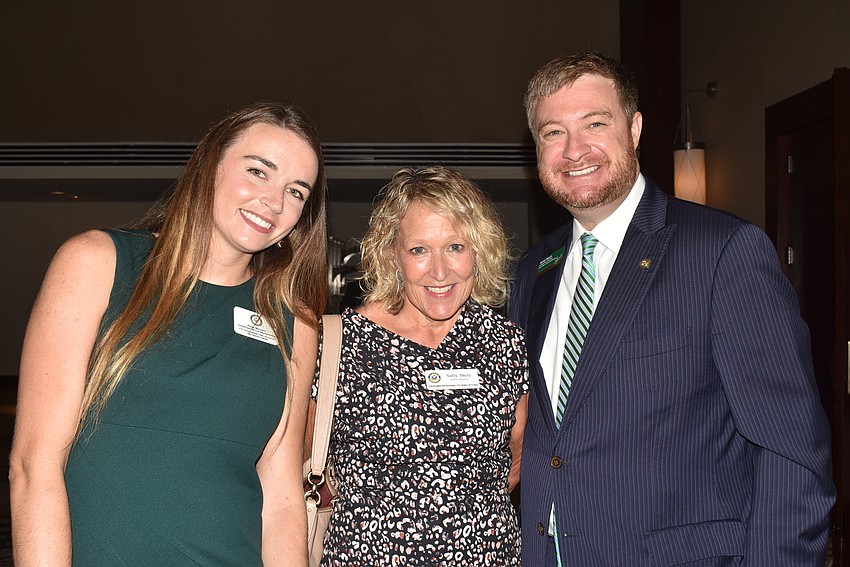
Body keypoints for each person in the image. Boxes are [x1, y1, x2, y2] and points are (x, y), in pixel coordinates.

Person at [509, 52, 835, 566]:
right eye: (553, 132)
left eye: (595, 123)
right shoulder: (533, 270)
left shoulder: (724, 252)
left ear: (634, 128)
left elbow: (792, 456)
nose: (575, 150)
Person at [9, 101, 328, 566]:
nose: (275, 202)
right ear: (209, 165)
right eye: (259, 171)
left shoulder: (294, 319)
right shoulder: (97, 263)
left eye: (296, 191)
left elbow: (280, 496)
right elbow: (34, 467)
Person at [315, 166, 529, 565]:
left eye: (455, 247)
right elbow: (290, 471)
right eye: (419, 250)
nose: (440, 271)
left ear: (479, 250)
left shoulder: (505, 343)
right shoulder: (337, 344)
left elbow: (515, 460)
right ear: (391, 254)